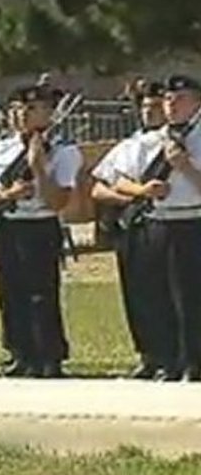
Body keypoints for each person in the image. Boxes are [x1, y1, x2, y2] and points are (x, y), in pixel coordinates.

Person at [0, 85, 82, 379]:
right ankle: (19, 352)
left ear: (49, 113)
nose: (20, 115)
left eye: (30, 109)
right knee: (9, 292)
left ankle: (49, 356)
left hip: (39, 225)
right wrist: (6, 194)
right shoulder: (0, 149)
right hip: (7, 225)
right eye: (15, 109)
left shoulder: (63, 150)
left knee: (41, 294)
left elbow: (59, 201)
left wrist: (38, 168)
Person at [113, 75, 201, 381]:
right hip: (158, 221)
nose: (172, 105)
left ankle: (194, 361)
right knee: (157, 294)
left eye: (180, 99)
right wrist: (141, 190)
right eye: (168, 100)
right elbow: (117, 179)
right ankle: (166, 359)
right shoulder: (149, 141)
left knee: (192, 296)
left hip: (193, 220)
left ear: (197, 102)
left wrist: (185, 166)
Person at [90, 81, 176, 380]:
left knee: (168, 292)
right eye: (145, 107)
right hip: (134, 224)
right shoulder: (129, 145)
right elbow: (100, 187)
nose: (149, 112)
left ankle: (174, 355)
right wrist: (133, 196)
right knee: (137, 293)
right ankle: (148, 355)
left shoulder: (178, 142)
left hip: (167, 223)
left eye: (156, 106)